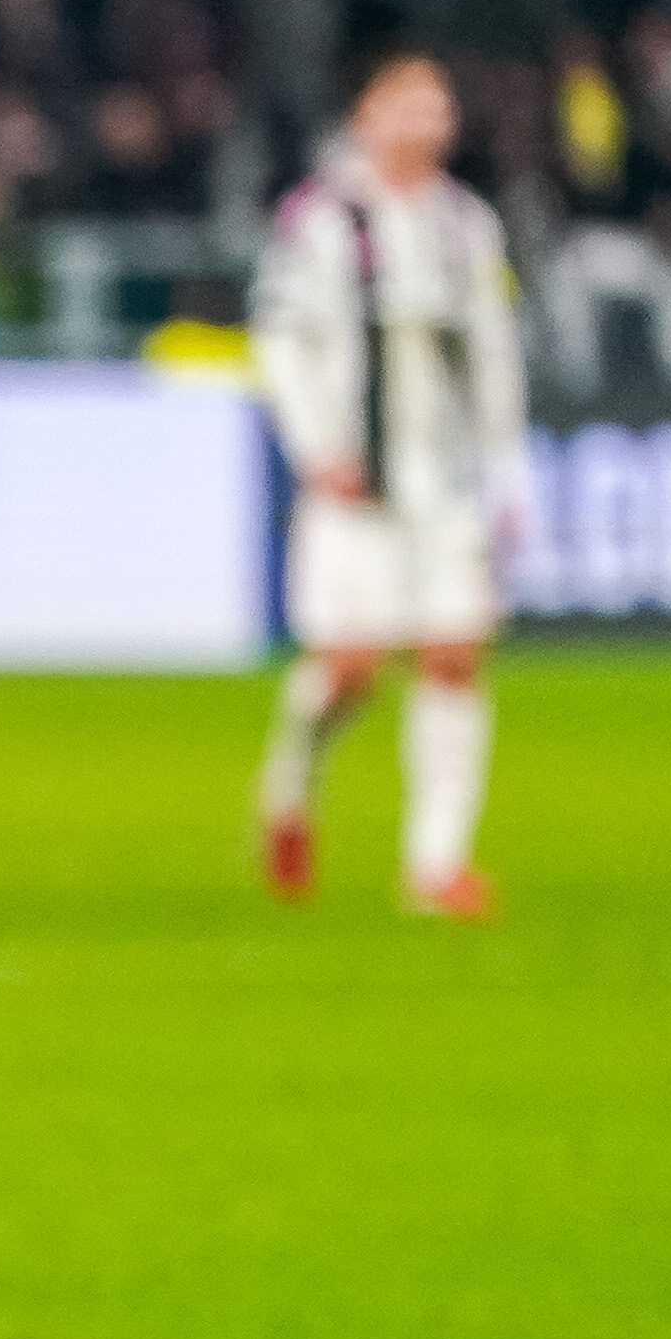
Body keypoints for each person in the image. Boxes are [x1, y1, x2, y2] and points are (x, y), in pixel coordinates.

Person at [246, 47, 527, 917]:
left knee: (452, 656)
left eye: (434, 106)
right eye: (403, 104)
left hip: (439, 483)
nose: (423, 122)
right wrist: (314, 446)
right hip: (351, 483)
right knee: (350, 670)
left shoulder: (468, 227)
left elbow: (493, 356)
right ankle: (288, 787)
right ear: (364, 116)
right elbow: (279, 338)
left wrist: (507, 473)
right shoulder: (323, 221)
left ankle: (436, 862)